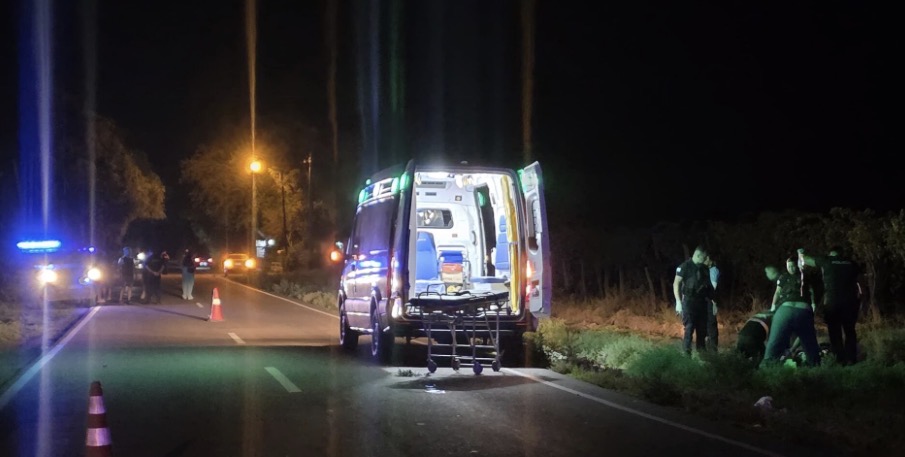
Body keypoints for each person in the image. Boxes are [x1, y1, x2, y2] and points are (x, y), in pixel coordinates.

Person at [799, 246, 862, 364]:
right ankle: (852, 359)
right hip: (850, 303)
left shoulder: (826, 261)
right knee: (850, 331)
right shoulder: (851, 263)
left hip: (833, 303)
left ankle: (840, 359)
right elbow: (858, 279)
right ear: (841, 253)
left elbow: (807, 260)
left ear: (831, 253)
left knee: (834, 332)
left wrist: (801, 254)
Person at [763, 256, 821, 366]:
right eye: (789, 266)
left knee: (773, 346)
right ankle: (815, 369)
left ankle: (767, 369)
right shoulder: (785, 277)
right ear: (786, 267)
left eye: (793, 266)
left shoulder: (803, 276)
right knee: (810, 347)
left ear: (796, 266)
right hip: (802, 311)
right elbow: (777, 292)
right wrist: (773, 305)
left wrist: (773, 307)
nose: (791, 268)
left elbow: (810, 291)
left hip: (786, 310)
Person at [673, 246, 714, 355]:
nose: (705, 260)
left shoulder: (704, 268)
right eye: (704, 257)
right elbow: (676, 283)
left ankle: (702, 354)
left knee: (702, 329)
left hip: (702, 302)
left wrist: (714, 302)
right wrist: (678, 302)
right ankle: (687, 354)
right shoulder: (685, 266)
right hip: (689, 302)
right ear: (698, 255)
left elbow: (709, 287)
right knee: (689, 328)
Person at [704, 255, 720, 351]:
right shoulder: (706, 270)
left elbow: (713, 288)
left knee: (711, 324)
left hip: (710, 300)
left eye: (706, 259)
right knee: (706, 325)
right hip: (705, 300)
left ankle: (713, 349)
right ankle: (708, 348)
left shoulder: (713, 270)